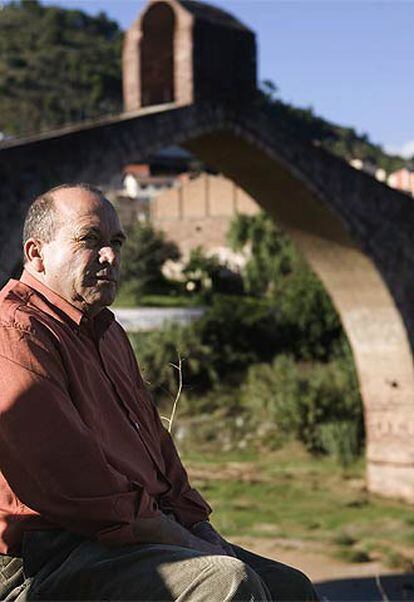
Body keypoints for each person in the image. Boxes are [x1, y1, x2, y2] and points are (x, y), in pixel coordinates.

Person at [0, 183, 318, 601]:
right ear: (36, 254)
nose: (111, 256)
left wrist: (200, 529)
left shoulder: (109, 333)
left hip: (128, 533)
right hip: (48, 554)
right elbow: (75, 486)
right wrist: (181, 541)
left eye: (116, 242)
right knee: (227, 584)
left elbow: (158, 453)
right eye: (89, 240)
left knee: (290, 587)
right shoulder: (17, 332)